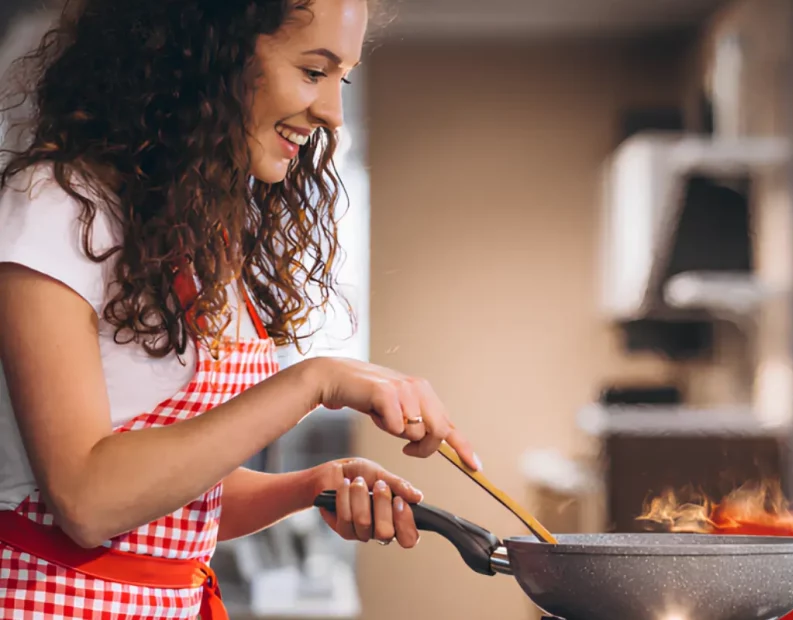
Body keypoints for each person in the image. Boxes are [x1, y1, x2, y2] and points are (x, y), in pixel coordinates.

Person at [0, 0, 480, 618]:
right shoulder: (56, 210)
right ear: (207, 55)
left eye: (343, 79)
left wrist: (310, 487)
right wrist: (316, 380)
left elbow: (169, 495)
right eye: (313, 71)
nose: (332, 112)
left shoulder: (194, 231)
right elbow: (89, 501)